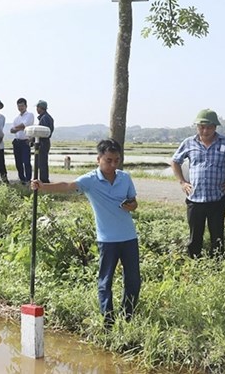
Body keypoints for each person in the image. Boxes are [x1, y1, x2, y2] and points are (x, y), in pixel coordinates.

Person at [31, 139, 140, 327]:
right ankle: (108, 321)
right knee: (105, 281)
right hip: (107, 240)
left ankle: (127, 317)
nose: (113, 164)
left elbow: (134, 203)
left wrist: (131, 205)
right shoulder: (90, 180)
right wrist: (42, 186)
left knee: (133, 280)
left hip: (129, 237)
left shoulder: (125, 178)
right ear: (98, 159)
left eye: (116, 160)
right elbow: (67, 186)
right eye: (108, 160)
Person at [171, 109, 225, 258]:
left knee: (217, 236)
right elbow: (175, 161)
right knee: (195, 236)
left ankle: (217, 264)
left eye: (209, 127)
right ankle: (194, 261)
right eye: (201, 127)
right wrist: (182, 182)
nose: (205, 131)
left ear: (215, 127)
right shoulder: (189, 143)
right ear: (197, 127)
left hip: (217, 198)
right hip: (195, 198)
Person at [10, 98, 35, 185]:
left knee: (26, 162)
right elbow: (11, 130)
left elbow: (24, 125)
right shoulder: (16, 118)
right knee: (18, 162)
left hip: (25, 142)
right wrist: (19, 128)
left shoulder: (30, 115)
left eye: (22, 106)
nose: (20, 108)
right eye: (19, 106)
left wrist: (17, 128)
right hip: (17, 142)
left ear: (26, 106)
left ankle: (28, 180)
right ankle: (22, 179)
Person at [35, 100, 54, 183]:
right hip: (45, 142)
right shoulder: (47, 117)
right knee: (42, 162)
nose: (36, 109)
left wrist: (33, 139)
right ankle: (44, 180)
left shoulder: (44, 118)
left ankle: (44, 181)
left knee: (42, 163)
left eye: (37, 107)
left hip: (42, 142)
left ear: (41, 108)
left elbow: (42, 133)